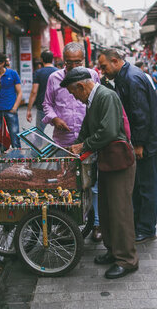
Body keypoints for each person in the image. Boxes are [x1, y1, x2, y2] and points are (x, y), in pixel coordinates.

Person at [65, 68, 138, 279]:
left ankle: (127, 259)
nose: (75, 98)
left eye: (73, 93)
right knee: (106, 209)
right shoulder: (93, 99)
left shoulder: (106, 96)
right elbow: (87, 129)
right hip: (106, 161)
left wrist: (84, 145)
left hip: (119, 162)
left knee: (120, 211)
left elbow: (110, 131)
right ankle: (114, 250)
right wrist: (77, 145)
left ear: (81, 86)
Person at [98, 49, 157, 243]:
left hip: (149, 141)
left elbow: (140, 114)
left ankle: (147, 228)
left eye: (104, 66)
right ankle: (140, 224)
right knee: (141, 184)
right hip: (148, 139)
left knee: (147, 185)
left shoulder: (131, 79)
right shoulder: (126, 75)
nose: (102, 71)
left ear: (115, 61)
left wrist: (139, 144)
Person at [42, 42, 102, 242]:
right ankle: (67, 225)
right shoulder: (54, 78)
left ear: (84, 60)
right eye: (69, 63)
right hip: (64, 140)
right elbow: (47, 104)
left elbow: (98, 101)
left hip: (87, 139)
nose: (74, 66)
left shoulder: (93, 75)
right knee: (65, 183)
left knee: (91, 183)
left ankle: (96, 224)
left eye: (78, 62)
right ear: (63, 61)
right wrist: (54, 119)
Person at [0, 52, 23, 148]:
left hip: (10, 110)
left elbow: (19, 92)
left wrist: (15, 108)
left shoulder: (12, 74)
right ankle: (3, 159)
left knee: (15, 137)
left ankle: (18, 159)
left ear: (2, 63)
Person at [26, 51, 58, 132]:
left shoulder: (38, 73)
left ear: (42, 60)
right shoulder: (59, 72)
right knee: (59, 131)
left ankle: (40, 145)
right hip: (57, 105)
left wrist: (29, 109)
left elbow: (34, 92)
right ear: (52, 59)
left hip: (42, 106)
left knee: (39, 132)